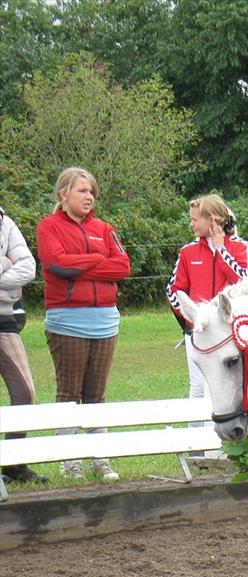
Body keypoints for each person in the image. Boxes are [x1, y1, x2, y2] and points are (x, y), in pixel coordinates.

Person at [36, 167, 131, 481]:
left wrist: (83, 266)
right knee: (69, 392)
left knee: (97, 393)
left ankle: (99, 457)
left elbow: (123, 267)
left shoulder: (104, 228)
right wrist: (98, 262)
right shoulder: (48, 227)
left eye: (91, 191)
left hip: (105, 321)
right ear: (64, 194)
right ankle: (69, 458)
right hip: (67, 322)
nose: (89, 196)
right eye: (82, 191)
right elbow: (56, 264)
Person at [167, 194, 248, 412]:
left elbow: (243, 281)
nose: (191, 224)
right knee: (197, 387)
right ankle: (196, 442)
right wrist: (193, 317)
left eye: (195, 219)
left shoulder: (240, 247)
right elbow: (173, 289)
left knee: (227, 385)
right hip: (198, 329)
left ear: (212, 220)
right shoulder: (188, 252)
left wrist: (221, 249)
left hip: (229, 330)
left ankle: (225, 442)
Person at [0, 206, 48, 484]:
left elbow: (28, 267)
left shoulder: (5, 222)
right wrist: (5, 264)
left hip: (4, 319)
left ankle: (14, 465)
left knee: (24, 392)